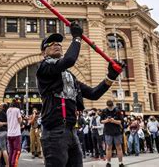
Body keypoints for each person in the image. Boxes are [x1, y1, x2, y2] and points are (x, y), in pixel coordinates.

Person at [36, 22, 123, 166]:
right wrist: (77, 38)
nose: (56, 44)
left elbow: (94, 94)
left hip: (72, 131)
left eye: (58, 43)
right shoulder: (44, 68)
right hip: (54, 132)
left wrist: (111, 76)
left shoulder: (70, 77)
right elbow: (69, 60)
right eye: (50, 43)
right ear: (43, 52)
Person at [101, 100, 124, 167]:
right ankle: (108, 162)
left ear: (113, 105)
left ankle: (120, 163)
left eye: (111, 107)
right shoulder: (104, 111)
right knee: (108, 148)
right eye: (109, 107)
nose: (110, 108)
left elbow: (121, 121)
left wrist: (114, 121)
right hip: (108, 132)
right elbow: (101, 121)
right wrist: (107, 120)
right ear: (107, 106)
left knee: (119, 147)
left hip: (117, 132)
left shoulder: (117, 111)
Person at [7, 99, 22, 167]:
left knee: (11, 151)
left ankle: (10, 164)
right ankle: (14, 165)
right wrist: (22, 119)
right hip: (16, 133)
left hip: (9, 133)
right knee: (17, 150)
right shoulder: (17, 110)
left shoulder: (8, 110)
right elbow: (20, 120)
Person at [0, 103, 9, 167]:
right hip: (6, 131)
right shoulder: (7, 113)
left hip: (1, 132)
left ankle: (7, 164)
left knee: (4, 149)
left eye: (0, 105)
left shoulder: (0, 113)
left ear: (3, 107)